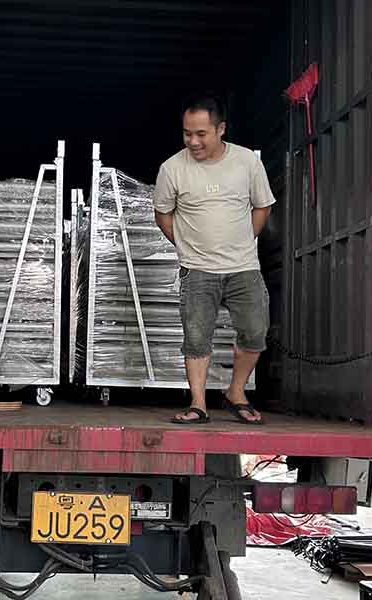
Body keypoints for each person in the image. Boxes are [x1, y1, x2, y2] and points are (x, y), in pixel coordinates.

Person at [153, 92, 275, 426]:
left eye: (200, 133)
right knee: (195, 338)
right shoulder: (172, 169)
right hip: (198, 270)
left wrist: (244, 240)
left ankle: (236, 393)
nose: (193, 141)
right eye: (187, 133)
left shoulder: (247, 162)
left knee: (255, 332)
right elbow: (163, 214)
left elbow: (262, 205)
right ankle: (198, 404)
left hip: (244, 268)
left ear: (221, 129)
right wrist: (186, 247)